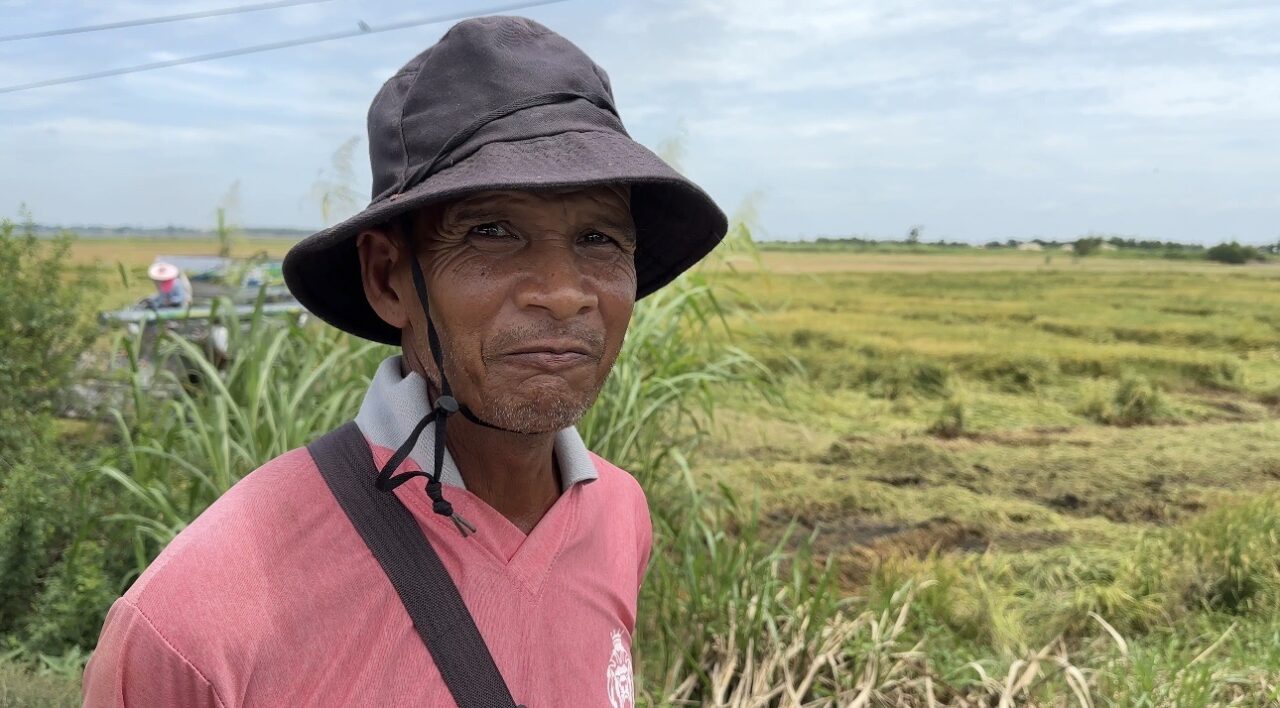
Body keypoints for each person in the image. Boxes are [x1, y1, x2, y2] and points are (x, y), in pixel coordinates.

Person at [82, 15, 726, 707]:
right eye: (492, 232)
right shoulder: (196, 621)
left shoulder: (620, 515)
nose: (564, 294)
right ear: (388, 278)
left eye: (599, 239)